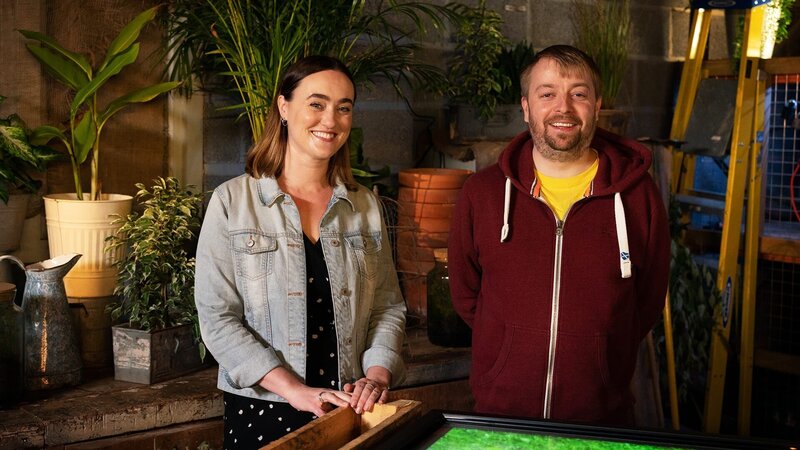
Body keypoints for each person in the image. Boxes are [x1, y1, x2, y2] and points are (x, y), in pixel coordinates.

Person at [448, 45, 670, 426]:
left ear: (596, 106)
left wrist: (599, 354)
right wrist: (508, 348)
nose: (563, 108)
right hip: (501, 420)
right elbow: (467, 297)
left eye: (578, 94)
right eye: (547, 94)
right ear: (526, 107)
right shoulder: (482, 194)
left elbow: (647, 303)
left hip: (601, 423)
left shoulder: (639, 197)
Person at [195, 55, 406, 448]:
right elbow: (217, 319)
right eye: (317, 104)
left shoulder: (364, 206)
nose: (331, 120)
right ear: (284, 107)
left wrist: (376, 376)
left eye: (343, 108)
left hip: (349, 409)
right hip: (264, 409)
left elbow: (387, 307)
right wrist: (294, 390)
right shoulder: (232, 202)